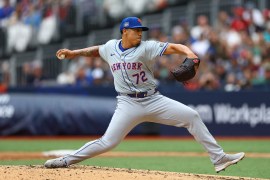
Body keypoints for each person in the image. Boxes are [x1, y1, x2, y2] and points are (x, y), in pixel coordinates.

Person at [44, 17, 245, 173]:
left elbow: (174, 47)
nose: (140, 34)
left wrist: (190, 53)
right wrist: (74, 53)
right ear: (124, 31)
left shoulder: (147, 47)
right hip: (127, 104)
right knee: (108, 142)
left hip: (153, 100)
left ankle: (218, 159)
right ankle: (66, 160)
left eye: (141, 30)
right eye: (136, 30)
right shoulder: (110, 47)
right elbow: (96, 50)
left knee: (192, 116)